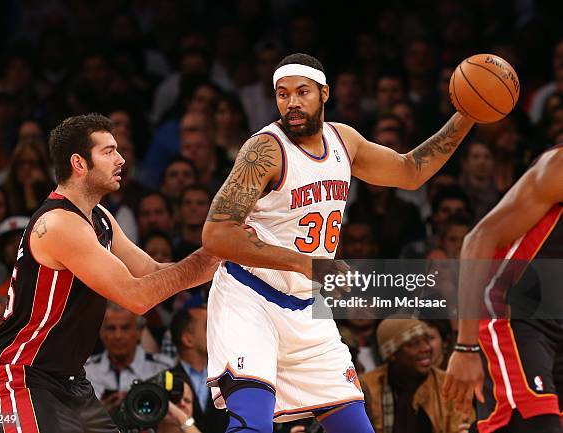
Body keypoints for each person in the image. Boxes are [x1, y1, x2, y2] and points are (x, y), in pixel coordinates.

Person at [202, 53, 476, 433]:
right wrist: (307, 264)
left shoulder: (343, 140)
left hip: (305, 306)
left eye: (302, 92)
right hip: (249, 297)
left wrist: (467, 115)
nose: (292, 103)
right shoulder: (264, 150)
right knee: (252, 425)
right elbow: (216, 233)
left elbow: (411, 172)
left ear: (324, 93)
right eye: (282, 94)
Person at [0, 113, 220, 433]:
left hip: (70, 381)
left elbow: (153, 271)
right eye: (108, 151)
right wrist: (212, 254)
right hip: (24, 377)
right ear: (79, 163)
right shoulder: (58, 224)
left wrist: (224, 264)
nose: (120, 159)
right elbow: (137, 296)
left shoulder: (101, 217)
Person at [443, 144, 563, 433]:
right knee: (537, 425)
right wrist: (465, 346)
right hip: (512, 313)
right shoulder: (558, 167)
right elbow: (478, 239)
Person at [361, 318, 469, 433]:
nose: (426, 348)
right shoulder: (367, 387)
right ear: (392, 354)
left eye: (426, 340)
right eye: (414, 343)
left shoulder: (449, 386)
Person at [85, 302, 174, 412]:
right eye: (111, 328)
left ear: (139, 332)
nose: (118, 336)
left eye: (125, 328)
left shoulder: (163, 369)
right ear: (101, 333)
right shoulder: (86, 373)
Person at [170, 306, 228, 433]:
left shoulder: (230, 378)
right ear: (188, 340)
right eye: (208, 326)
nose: (216, 330)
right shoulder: (166, 382)